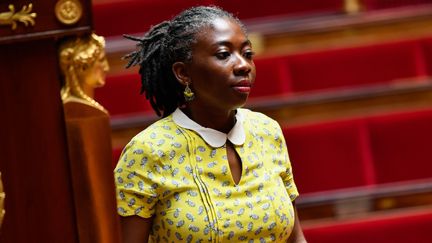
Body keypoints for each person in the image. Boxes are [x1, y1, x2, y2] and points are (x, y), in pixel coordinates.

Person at [114, 6, 307, 243]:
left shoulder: (267, 131)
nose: (243, 65)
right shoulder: (149, 151)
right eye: (224, 54)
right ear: (183, 73)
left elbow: (296, 238)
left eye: (247, 54)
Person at [59, 33, 122, 243]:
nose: (105, 66)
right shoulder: (80, 114)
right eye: (99, 61)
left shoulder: (89, 112)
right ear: (82, 66)